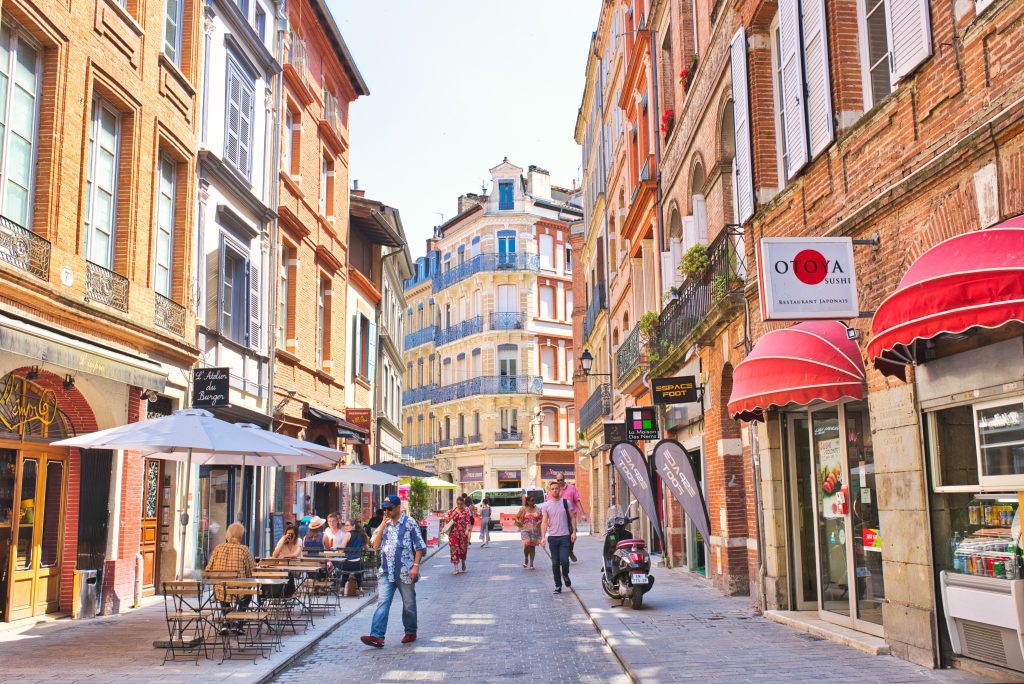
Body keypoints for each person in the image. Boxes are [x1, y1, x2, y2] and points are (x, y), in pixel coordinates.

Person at [360, 494, 426, 648]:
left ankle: (410, 631)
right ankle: (377, 636)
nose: (387, 511)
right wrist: (382, 525)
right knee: (383, 602)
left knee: (408, 603)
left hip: (405, 571)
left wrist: (416, 566)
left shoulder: (409, 523)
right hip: (385, 571)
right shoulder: (385, 524)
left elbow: (419, 546)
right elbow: (375, 546)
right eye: (385, 509)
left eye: (389, 508)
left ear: (398, 507)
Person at [204, 522, 256, 635]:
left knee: (222, 587)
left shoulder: (218, 548)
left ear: (228, 534)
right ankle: (238, 622)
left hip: (220, 591)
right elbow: (252, 571)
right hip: (239, 591)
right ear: (241, 536)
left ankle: (226, 622)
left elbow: (208, 569)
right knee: (248, 592)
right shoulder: (244, 549)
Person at [541, 481, 576, 594]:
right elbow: (544, 522)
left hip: (565, 537)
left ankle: (565, 575)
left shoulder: (566, 503)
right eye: (553, 489)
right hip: (553, 538)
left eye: (557, 488)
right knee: (555, 563)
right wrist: (543, 537)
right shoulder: (546, 505)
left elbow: (572, 518)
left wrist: (574, 532)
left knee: (565, 561)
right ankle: (558, 585)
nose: (555, 490)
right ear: (549, 491)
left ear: (559, 490)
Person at [548, 473, 583, 562]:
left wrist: (582, 513)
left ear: (564, 479)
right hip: (558, 517)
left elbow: (577, 501)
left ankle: (569, 551)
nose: (559, 482)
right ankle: (563, 555)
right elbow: (548, 503)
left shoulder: (571, 488)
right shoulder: (553, 489)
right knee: (562, 537)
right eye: (558, 480)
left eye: (561, 480)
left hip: (570, 517)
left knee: (572, 535)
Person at [444, 497, 472, 574]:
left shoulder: (466, 511)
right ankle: (456, 568)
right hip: (453, 534)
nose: (459, 505)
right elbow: (447, 521)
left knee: (463, 550)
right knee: (454, 550)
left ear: (463, 503)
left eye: (461, 504)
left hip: (462, 534)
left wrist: (467, 530)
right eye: (458, 504)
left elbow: (468, 522)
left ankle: (463, 561)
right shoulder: (452, 511)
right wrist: (452, 516)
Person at [339, 519, 368, 593]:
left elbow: (342, 549)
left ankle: (342, 588)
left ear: (353, 526)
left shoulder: (348, 534)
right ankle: (360, 588)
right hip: (359, 565)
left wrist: (337, 550)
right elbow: (366, 548)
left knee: (344, 566)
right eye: (345, 525)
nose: (345, 527)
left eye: (347, 525)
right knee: (357, 567)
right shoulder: (362, 534)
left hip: (347, 565)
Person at [515, 495, 543, 569]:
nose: (534, 501)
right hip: (525, 529)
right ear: (528, 501)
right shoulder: (523, 509)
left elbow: (541, 518)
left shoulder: (538, 509)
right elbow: (516, 517)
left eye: (534, 500)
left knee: (532, 547)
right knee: (527, 544)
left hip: (535, 530)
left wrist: (539, 522)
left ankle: (531, 563)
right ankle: (526, 558)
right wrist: (519, 522)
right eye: (532, 500)